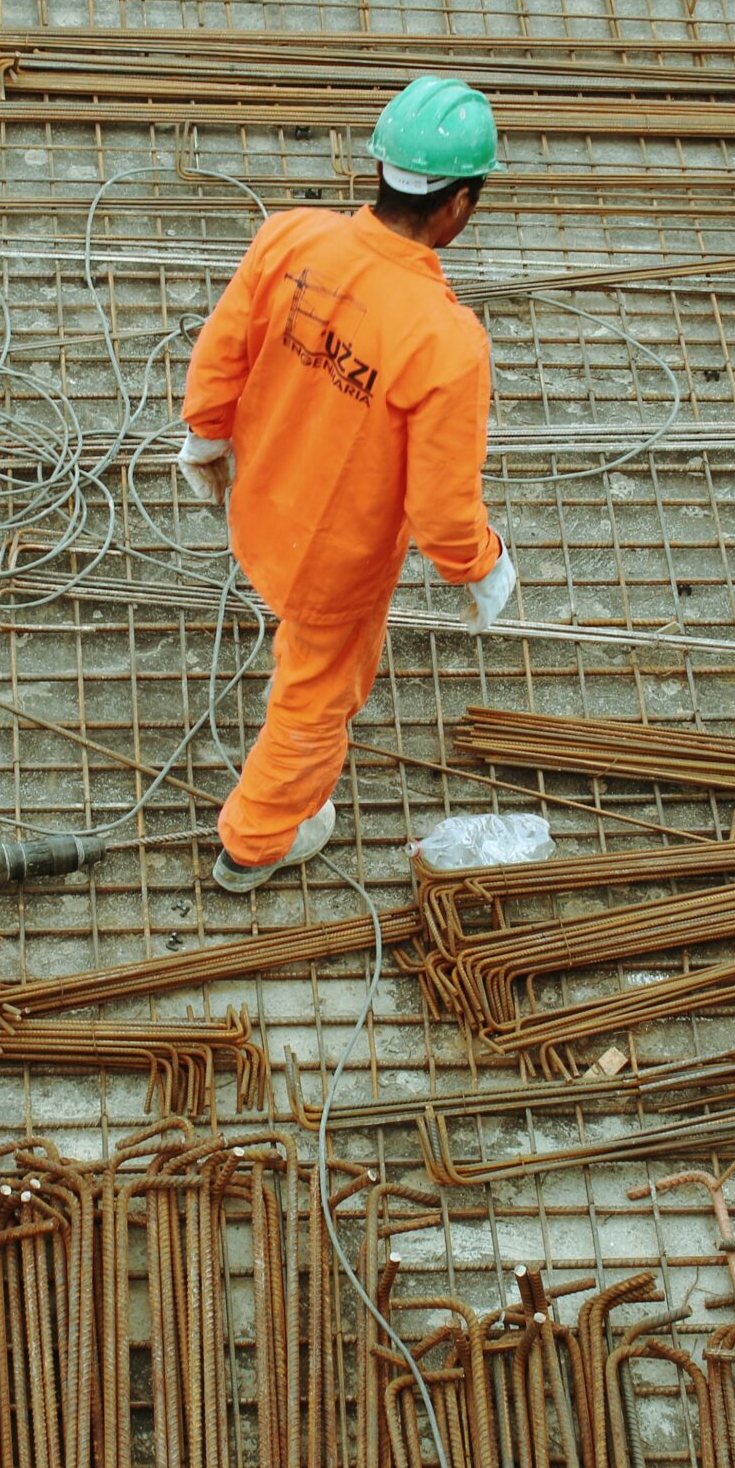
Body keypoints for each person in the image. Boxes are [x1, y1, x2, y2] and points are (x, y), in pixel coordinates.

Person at [175, 76, 518, 894]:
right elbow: (440, 510)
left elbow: (222, 350)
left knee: (300, 655)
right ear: (459, 205)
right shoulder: (447, 342)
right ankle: (255, 843)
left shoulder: (291, 239)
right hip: (334, 562)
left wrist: (204, 436)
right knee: (314, 700)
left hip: (259, 504)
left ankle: (267, 821)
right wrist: (482, 565)